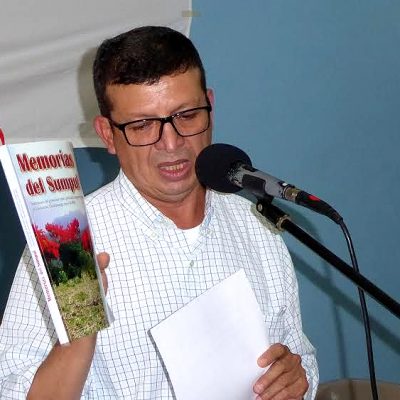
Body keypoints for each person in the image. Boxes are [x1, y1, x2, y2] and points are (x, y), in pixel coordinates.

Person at [0, 26, 318, 399]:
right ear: (107, 134)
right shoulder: (66, 246)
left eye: (187, 115)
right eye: (142, 125)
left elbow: (299, 359)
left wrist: (297, 381)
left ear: (210, 106)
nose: (171, 143)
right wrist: (79, 333)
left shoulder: (256, 226)